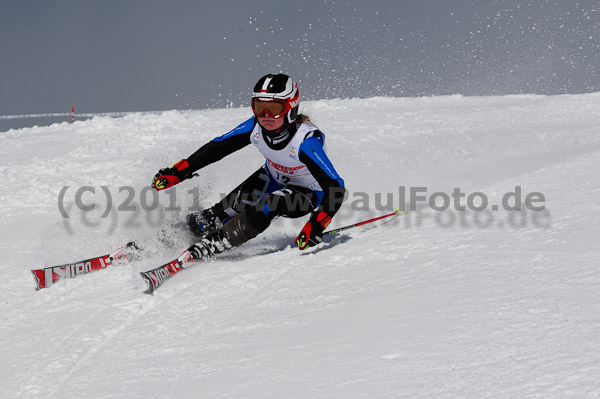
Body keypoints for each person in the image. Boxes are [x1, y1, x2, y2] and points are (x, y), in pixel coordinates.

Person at [151, 74, 345, 258]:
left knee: (271, 203)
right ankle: (170, 237)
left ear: (291, 108)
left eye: (274, 109)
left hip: (308, 194)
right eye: (259, 107)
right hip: (272, 177)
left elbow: (335, 186)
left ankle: (218, 241)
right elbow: (219, 147)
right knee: (218, 214)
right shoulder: (255, 127)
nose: (266, 115)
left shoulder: (305, 141)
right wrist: (180, 171)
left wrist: (318, 223)